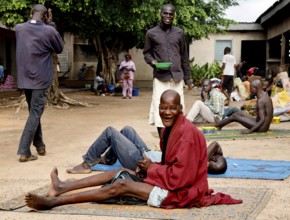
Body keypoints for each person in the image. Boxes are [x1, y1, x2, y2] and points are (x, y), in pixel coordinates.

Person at [25, 89, 242, 210]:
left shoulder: (186, 135)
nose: (166, 112)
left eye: (172, 109)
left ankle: (54, 201)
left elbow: (179, 180)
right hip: (173, 183)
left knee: (120, 185)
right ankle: (61, 187)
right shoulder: (169, 129)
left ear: (180, 110)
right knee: (117, 172)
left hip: (181, 194)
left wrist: (151, 170)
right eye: (163, 108)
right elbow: (170, 167)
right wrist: (150, 169)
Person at [66, 121, 227, 174]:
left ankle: (87, 163)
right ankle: (109, 159)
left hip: (142, 161)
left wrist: (215, 152)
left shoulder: (199, 165)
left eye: (212, 162)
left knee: (110, 132)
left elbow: (215, 144)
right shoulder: (199, 160)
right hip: (148, 153)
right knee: (127, 130)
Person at [15, 4, 64, 162]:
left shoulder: (19, 28)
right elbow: (59, 48)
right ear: (45, 16)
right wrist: (51, 25)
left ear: (31, 13)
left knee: (33, 113)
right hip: (41, 79)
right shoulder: (49, 30)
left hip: (25, 78)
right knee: (35, 113)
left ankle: (40, 145)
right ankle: (24, 151)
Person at [143, 4, 193, 137]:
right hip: (160, 77)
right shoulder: (151, 33)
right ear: (161, 14)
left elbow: (184, 56)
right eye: (165, 13)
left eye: (171, 14)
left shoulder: (179, 33)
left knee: (178, 109)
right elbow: (146, 53)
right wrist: (153, 62)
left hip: (177, 77)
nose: (168, 16)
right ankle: (163, 143)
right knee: (161, 109)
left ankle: (176, 140)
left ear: (174, 16)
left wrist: (188, 79)